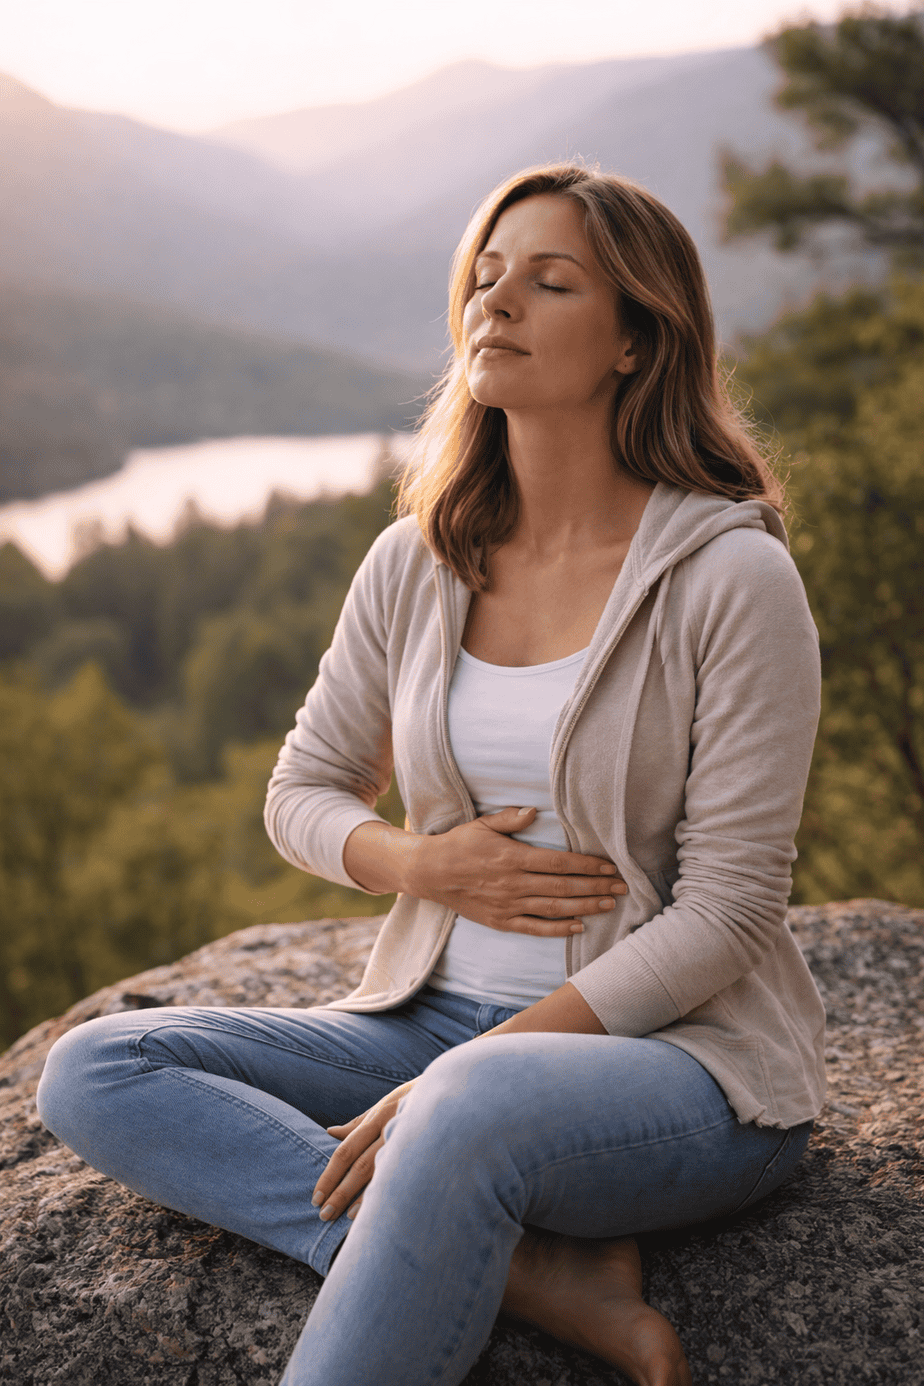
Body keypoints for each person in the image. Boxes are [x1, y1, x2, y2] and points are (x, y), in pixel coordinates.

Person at [37, 163, 826, 1386]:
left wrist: (479, 1073)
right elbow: (300, 792)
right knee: (97, 1066)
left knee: (460, 1116)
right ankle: (520, 1271)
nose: (497, 302)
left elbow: (731, 910)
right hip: (429, 1020)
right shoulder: (420, 558)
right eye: (487, 276)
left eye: (550, 282)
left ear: (635, 341)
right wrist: (420, 862)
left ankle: (457, 1191)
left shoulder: (731, 578)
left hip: (679, 1061)